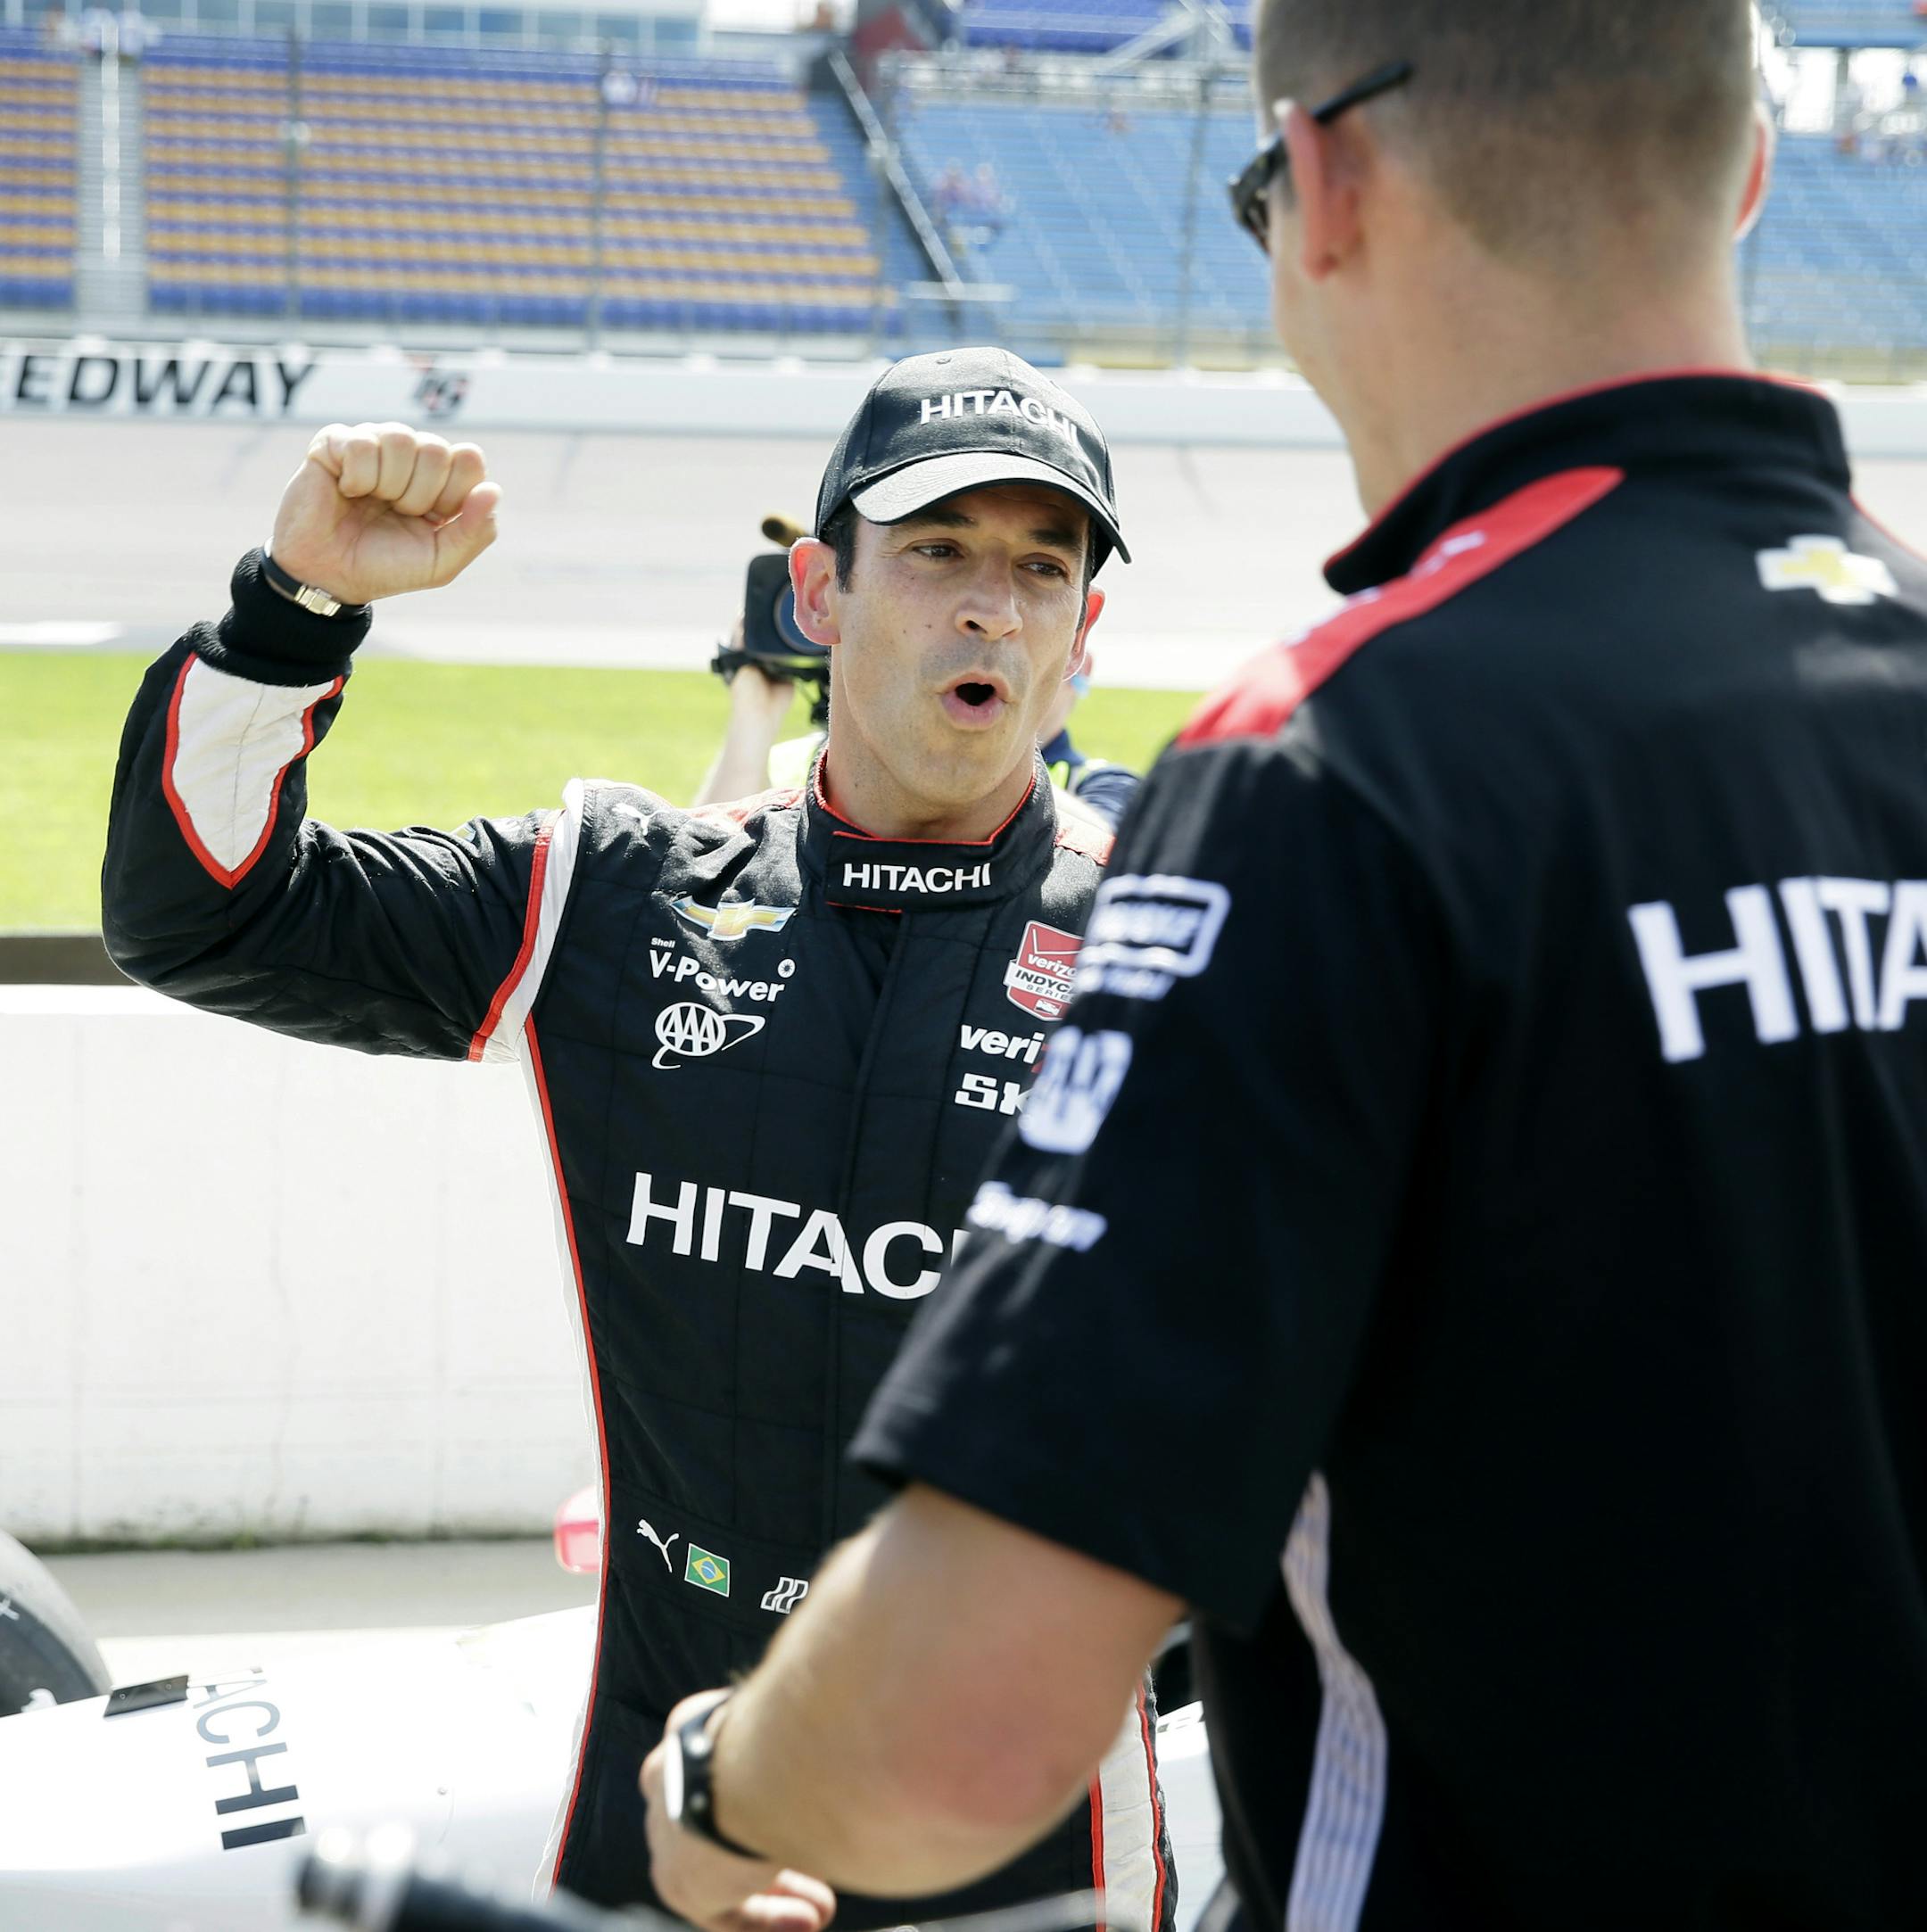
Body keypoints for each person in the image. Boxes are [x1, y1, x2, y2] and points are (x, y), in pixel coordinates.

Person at [640, 3, 1927, 1929]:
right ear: (1745, 171)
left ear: (1318, 187)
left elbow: (957, 1734)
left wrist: (718, 1783)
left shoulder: (1332, 772)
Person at [99, 346, 1177, 1925]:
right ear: (818, 591)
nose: (988, 608)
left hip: (1036, 1850)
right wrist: (295, 607)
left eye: (1039, 567)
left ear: (1085, 631)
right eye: (938, 551)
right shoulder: (610, 888)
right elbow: (203, 911)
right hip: (660, 1818)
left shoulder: (1182, 937)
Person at [694, 640, 1139, 831]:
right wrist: (756, 713)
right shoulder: (797, 760)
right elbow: (703, 867)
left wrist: (949, 746)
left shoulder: (1103, 785)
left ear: (1079, 662)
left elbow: (1106, 867)